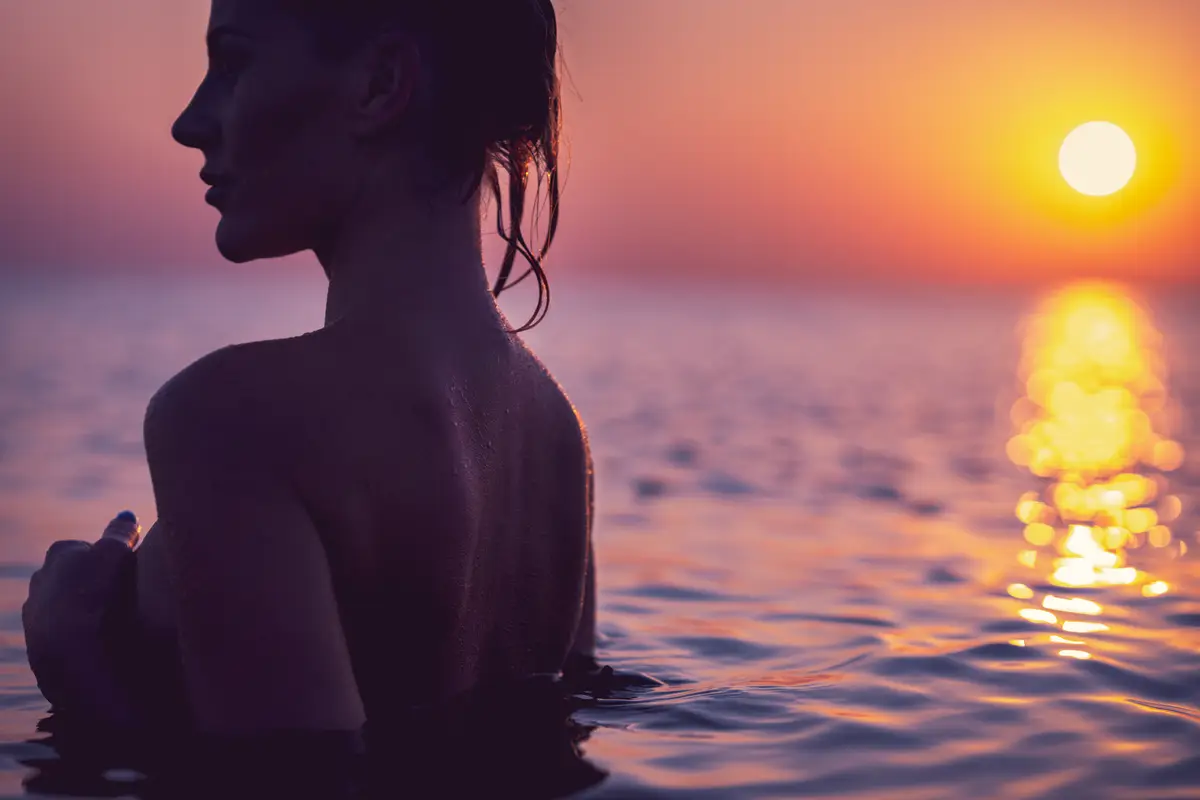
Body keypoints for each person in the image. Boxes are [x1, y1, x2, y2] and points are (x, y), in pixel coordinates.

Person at [23, 0, 597, 791]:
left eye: (232, 61)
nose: (190, 122)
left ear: (379, 84)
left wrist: (78, 672)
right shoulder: (559, 440)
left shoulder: (231, 423)